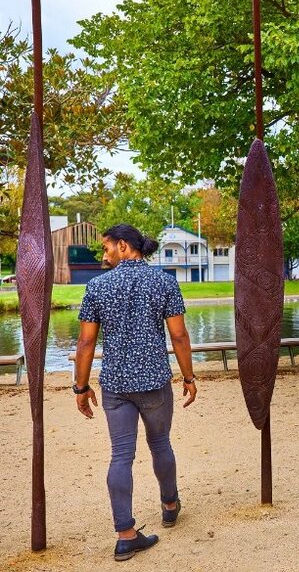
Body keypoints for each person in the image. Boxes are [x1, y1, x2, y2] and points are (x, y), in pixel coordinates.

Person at [73, 224, 198, 561]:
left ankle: (125, 535)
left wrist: (80, 386)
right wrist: (189, 377)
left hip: (115, 386)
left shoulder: (97, 287)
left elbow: (85, 343)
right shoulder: (164, 282)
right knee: (160, 444)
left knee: (120, 456)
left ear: (124, 246)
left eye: (106, 248)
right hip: (155, 381)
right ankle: (170, 504)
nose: (104, 254)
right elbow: (180, 336)